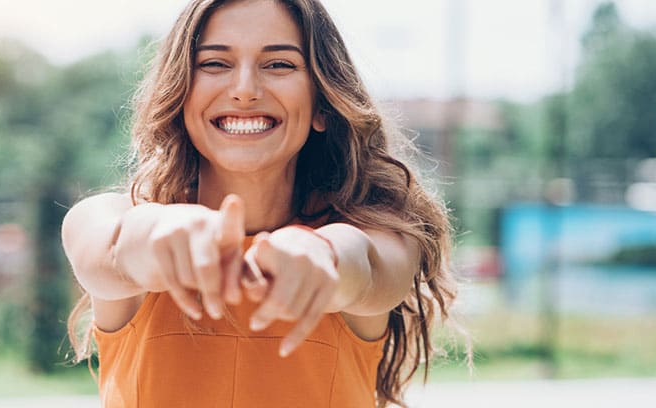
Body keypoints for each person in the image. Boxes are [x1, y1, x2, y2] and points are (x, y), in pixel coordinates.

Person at [62, 0, 459, 406]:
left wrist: (321, 254)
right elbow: (109, 249)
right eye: (215, 64)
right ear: (180, 95)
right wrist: (159, 234)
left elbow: (366, 266)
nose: (245, 90)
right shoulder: (108, 217)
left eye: (279, 65)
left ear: (322, 104)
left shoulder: (378, 232)